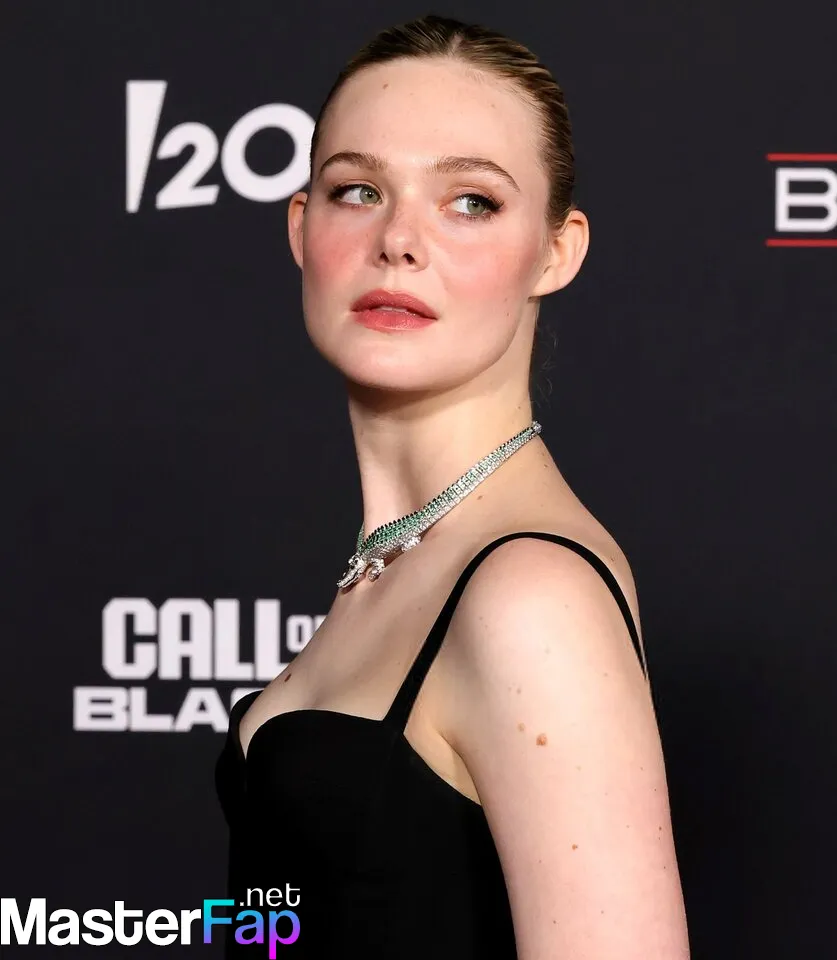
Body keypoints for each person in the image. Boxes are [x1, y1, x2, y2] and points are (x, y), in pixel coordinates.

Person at [215, 14, 690, 959]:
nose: (398, 239)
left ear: (555, 252)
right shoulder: (397, 562)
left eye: (470, 201)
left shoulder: (530, 595)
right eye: (357, 191)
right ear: (302, 227)